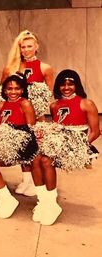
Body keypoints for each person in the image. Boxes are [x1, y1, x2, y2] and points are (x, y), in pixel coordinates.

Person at [33, 69, 100, 225]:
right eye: (63, 84)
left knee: (46, 161)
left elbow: (95, 131)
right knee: (34, 159)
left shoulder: (86, 103)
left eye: (70, 84)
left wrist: (80, 148)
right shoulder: (54, 105)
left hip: (77, 144)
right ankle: (44, 201)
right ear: (58, 87)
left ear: (77, 85)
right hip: (59, 141)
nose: (66, 87)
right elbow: (57, 127)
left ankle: (52, 204)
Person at [3, 30, 54, 196]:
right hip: (17, 113)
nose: (26, 50)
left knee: (34, 148)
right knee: (21, 145)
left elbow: (49, 93)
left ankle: (35, 181)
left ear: (36, 46)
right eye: (23, 47)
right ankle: (26, 180)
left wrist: (36, 104)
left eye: (29, 46)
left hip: (36, 115)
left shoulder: (45, 68)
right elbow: (5, 90)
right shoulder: (13, 67)